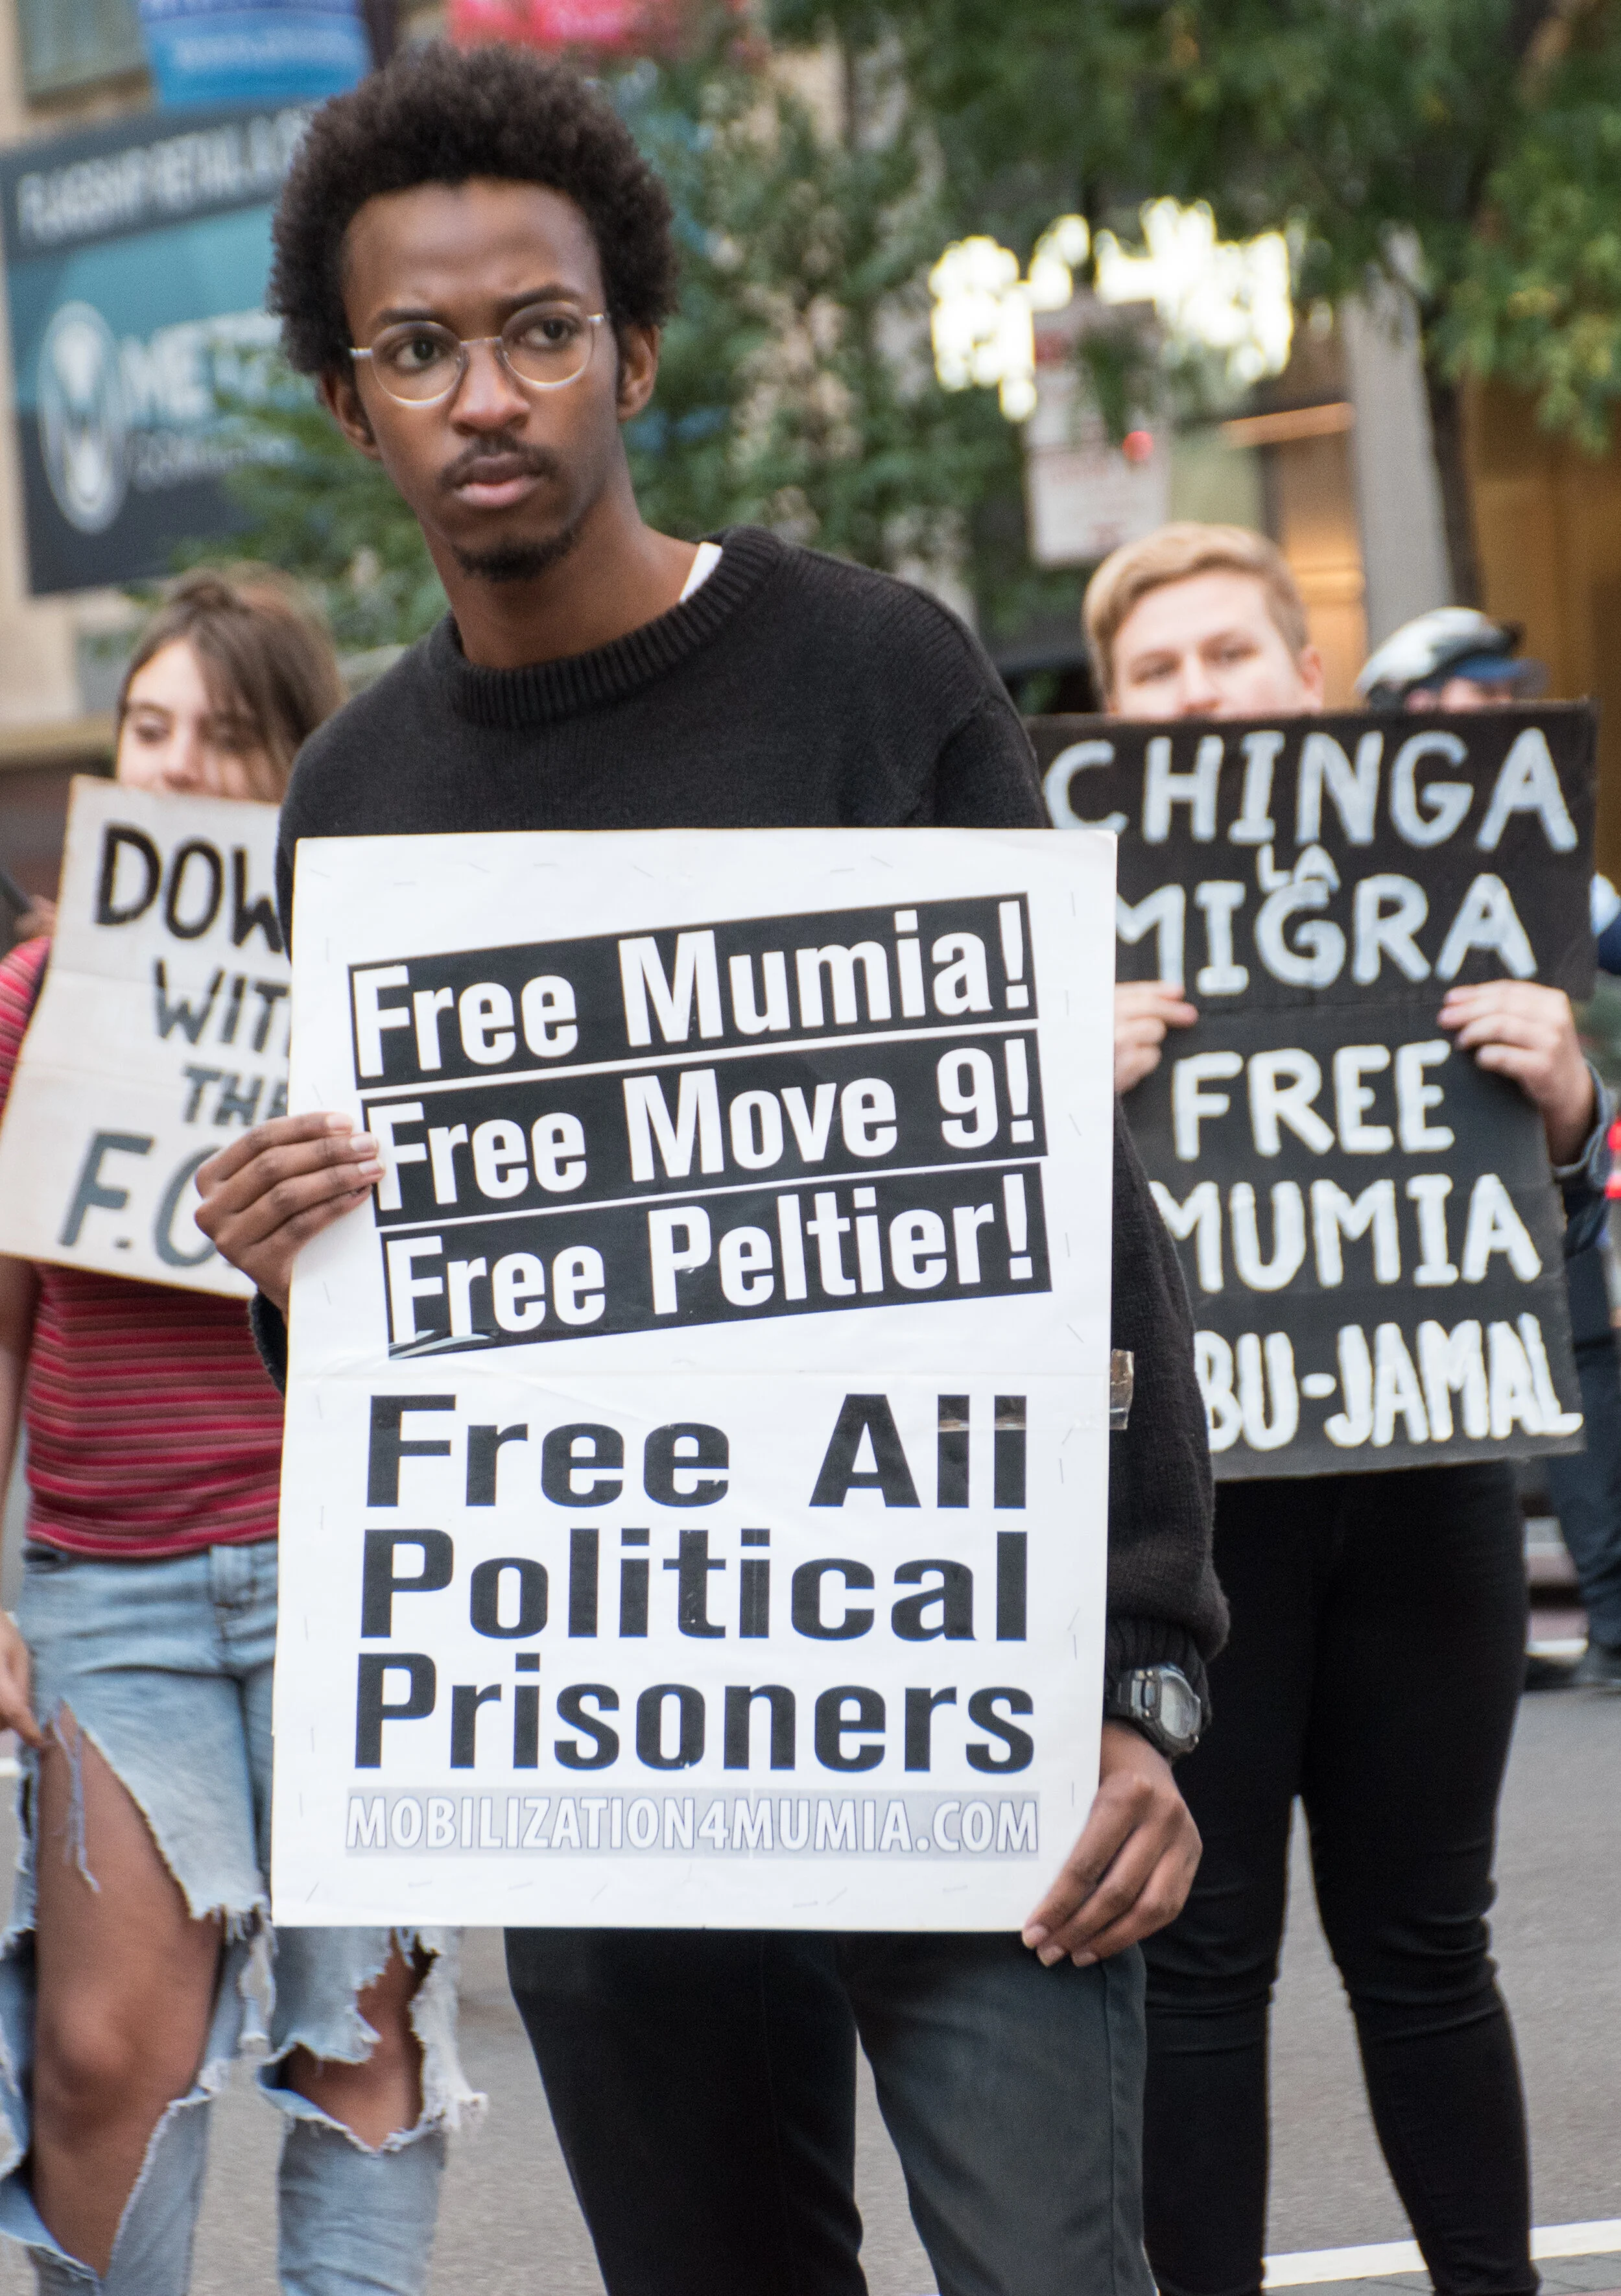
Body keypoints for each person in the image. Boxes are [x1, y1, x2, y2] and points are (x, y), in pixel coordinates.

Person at [189, 45, 1225, 2296]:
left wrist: (1142, 1672)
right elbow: (402, 1352)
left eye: (540, 330)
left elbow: (1077, 1201)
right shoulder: (356, 798)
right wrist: (286, 1266)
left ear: (633, 349)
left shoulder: (880, 672)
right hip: (604, 1770)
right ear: (351, 400)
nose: (489, 392)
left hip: (960, 1711)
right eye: (421, 349)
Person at [1085, 522, 1612, 2296]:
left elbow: (1550, 1184)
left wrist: (1561, 1093)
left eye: (1226, 654)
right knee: (1204, 1954)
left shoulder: (1460, 862)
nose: (1197, 693)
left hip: (1428, 1466)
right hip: (1189, 1502)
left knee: (1423, 1944)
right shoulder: (1056, 929)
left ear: (1305, 679)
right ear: (1106, 712)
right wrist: (1056, 1087)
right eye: (1154, 672)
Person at [0, 571, 472, 2296]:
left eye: (223, 734)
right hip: (107, 1597)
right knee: (104, 2061)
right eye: (147, 727)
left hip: (347, 1577)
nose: (177, 763)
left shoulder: (374, 1007)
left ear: (294, 766)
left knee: (356, 2043)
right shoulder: (30, 1004)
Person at [1361, 604, 1621, 1691]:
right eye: (1484, 692)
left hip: (1527, 1157)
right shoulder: (1335, 836)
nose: (1506, 709)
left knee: (1583, 1359)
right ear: (1420, 708)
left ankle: (1610, 1617)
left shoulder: (1534, 835)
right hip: (1373, 1184)